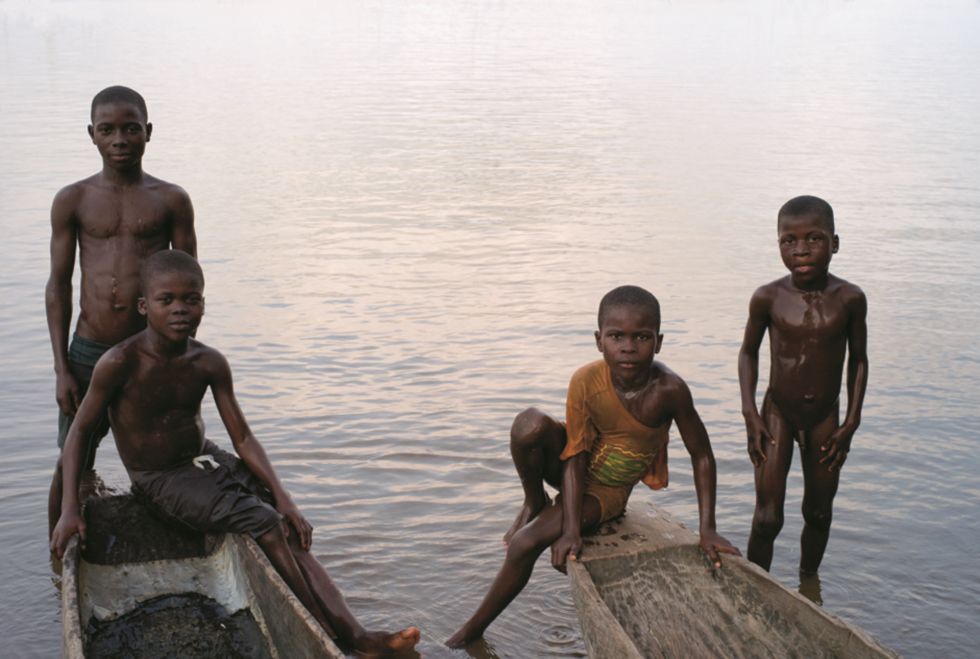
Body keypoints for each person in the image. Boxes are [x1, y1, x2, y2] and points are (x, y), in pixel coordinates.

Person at [49, 250, 421, 655]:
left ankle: (356, 633)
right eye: (166, 300)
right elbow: (80, 432)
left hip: (203, 458)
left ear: (204, 305)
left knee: (287, 524)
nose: (180, 310)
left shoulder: (208, 361)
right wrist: (70, 508)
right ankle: (330, 640)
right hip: (158, 477)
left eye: (191, 300)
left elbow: (242, 437)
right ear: (144, 306)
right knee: (263, 521)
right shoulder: (119, 362)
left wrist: (285, 497)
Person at [447, 285, 739, 648]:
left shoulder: (669, 390)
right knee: (530, 423)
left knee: (524, 543)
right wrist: (570, 529)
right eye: (617, 336)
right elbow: (575, 454)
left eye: (641, 337)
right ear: (599, 340)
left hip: (607, 490)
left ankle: (466, 636)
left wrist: (707, 529)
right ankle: (534, 500)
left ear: (659, 342)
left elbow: (703, 456)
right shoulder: (585, 380)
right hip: (573, 467)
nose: (628, 347)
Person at [46, 85, 197, 533]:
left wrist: (183, 355)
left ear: (148, 132)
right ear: (91, 134)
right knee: (73, 453)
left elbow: (189, 286)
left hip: (150, 349)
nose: (119, 140)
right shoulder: (73, 199)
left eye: (131, 129)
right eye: (108, 130)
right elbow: (58, 284)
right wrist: (61, 368)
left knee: (167, 449)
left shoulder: (170, 199)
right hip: (89, 347)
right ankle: (60, 544)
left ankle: (178, 527)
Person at [739, 195, 868, 574]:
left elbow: (858, 360)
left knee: (819, 513)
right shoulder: (768, 298)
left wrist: (852, 422)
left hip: (825, 417)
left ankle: (808, 589)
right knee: (767, 519)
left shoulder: (849, 299)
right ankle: (754, 589)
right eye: (789, 241)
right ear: (778, 244)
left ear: (835, 243)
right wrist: (750, 412)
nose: (801, 250)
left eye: (814, 238)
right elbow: (748, 352)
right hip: (777, 411)